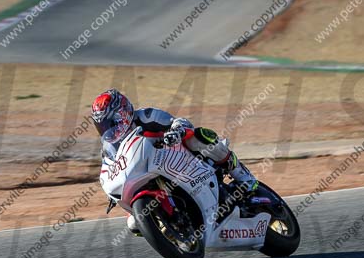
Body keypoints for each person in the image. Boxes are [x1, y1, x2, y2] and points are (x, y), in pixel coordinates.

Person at [91, 89, 263, 233]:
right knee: (134, 224)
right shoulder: (108, 146)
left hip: (175, 155)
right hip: (145, 172)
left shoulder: (145, 115)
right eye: (104, 126)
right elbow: (109, 166)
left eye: (113, 122)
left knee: (198, 136)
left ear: (123, 113)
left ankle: (242, 175)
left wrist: (176, 131)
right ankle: (174, 230)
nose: (110, 129)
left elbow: (178, 121)